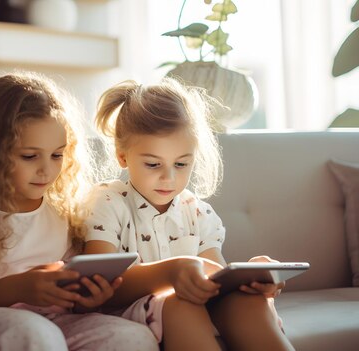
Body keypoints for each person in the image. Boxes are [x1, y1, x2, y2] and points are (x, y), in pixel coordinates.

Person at [0, 71, 159, 351]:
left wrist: (85, 299)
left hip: (50, 323)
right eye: (29, 156)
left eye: (57, 155)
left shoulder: (62, 209)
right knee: (35, 334)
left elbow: (67, 293)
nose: (47, 170)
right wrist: (19, 287)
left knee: (133, 337)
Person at [82, 78, 295, 351]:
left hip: (193, 305)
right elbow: (102, 286)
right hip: (135, 312)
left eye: (182, 164)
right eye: (153, 164)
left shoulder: (197, 211)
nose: (168, 177)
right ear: (123, 156)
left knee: (247, 302)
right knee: (179, 303)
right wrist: (170, 274)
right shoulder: (108, 202)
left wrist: (251, 279)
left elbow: (214, 278)